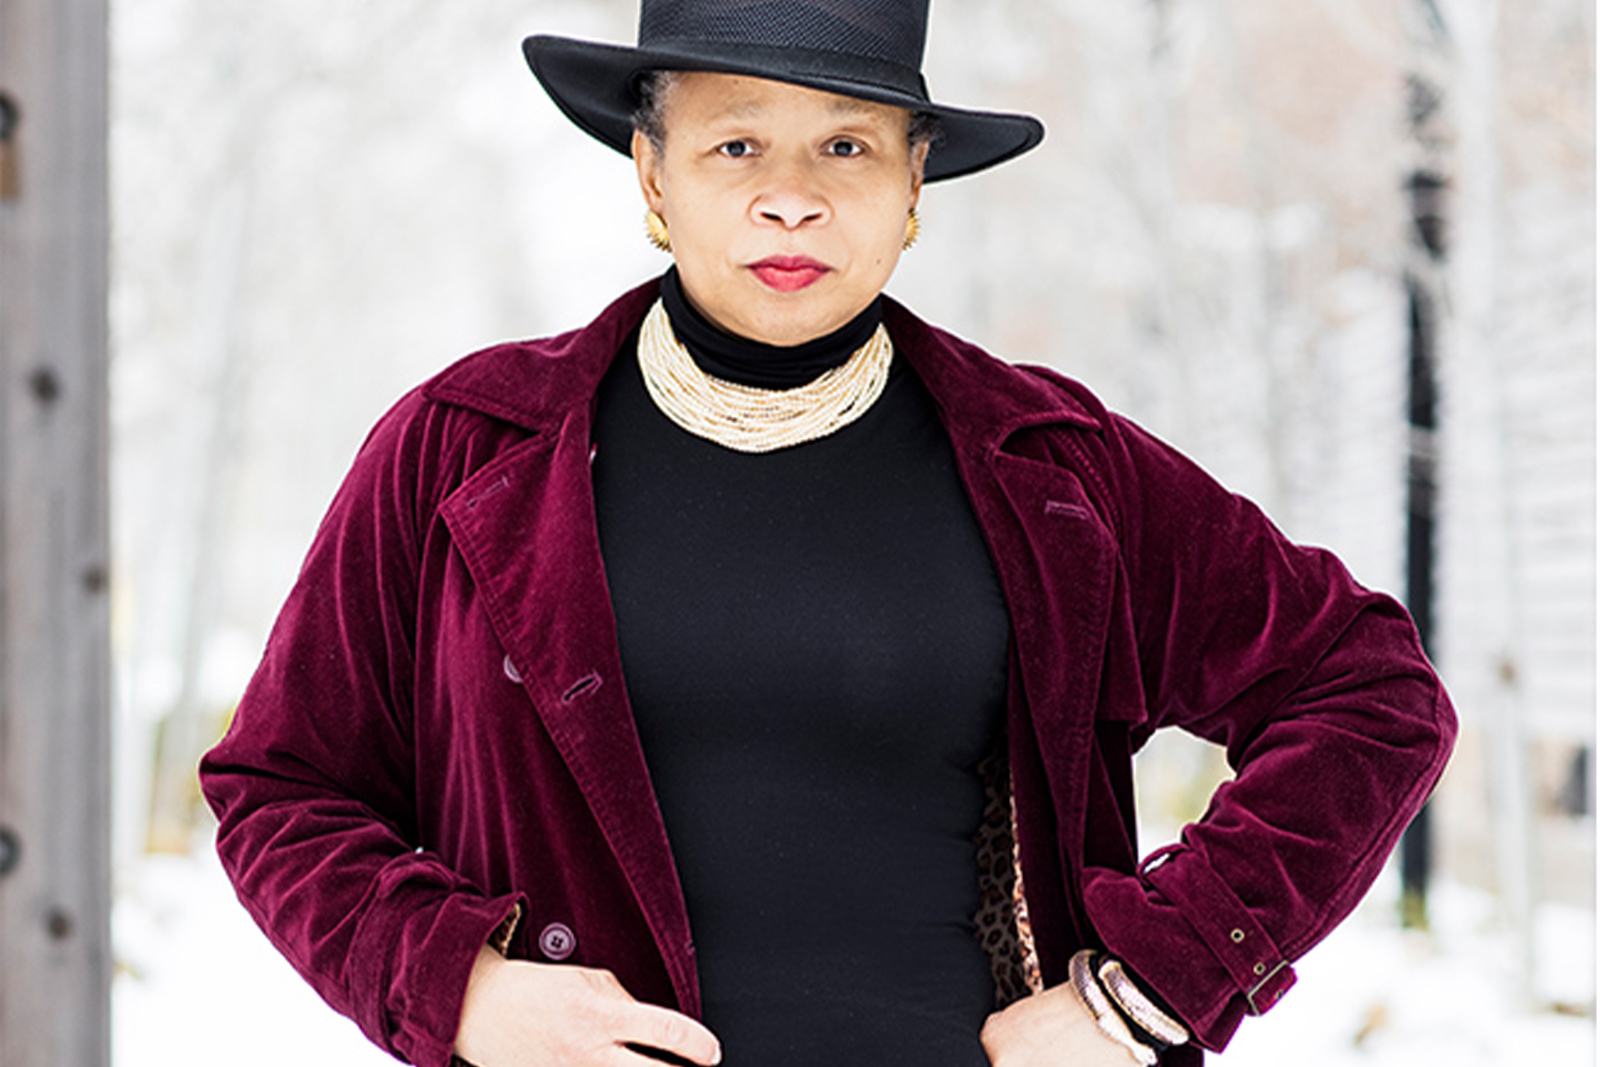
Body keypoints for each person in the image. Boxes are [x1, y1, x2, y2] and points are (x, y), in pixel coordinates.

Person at [198, 2, 1456, 1065]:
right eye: (735, 143)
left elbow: (1369, 693)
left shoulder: (1052, 468)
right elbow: (280, 784)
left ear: (913, 183)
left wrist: (1146, 988)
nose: (790, 200)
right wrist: (460, 988)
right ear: (653, 172)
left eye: (845, 145)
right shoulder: (464, 449)